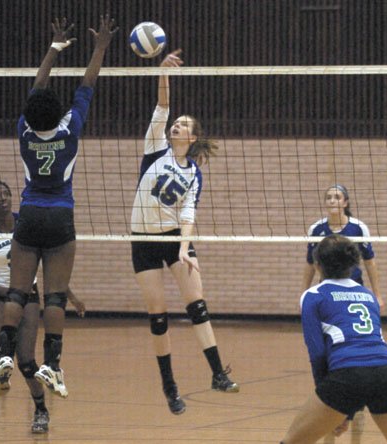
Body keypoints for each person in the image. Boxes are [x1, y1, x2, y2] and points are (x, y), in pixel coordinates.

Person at [0, 16, 116, 401]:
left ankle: (4, 354)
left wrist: (54, 48)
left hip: (28, 217)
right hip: (60, 216)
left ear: (31, 113)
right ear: (57, 112)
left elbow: (38, 89)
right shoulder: (70, 130)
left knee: (17, 294)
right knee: (56, 297)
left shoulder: (24, 132)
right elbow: (87, 85)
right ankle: (53, 365)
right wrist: (100, 47)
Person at [130, 50, 238, 416]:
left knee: (197, 305)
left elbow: (189, 212)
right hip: (142, 240)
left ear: (193, 137)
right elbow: (162, 106)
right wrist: (163, 72)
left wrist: (183, 248)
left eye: (183, 124)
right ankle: (170, 386)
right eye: (175, 122)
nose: (176, 125)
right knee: (158, 317)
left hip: (174, 235)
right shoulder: (154, 149)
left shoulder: (193, 172)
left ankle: (217, 374)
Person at [0, 180, 85, 438]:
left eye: (6, 193)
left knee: (26, 361)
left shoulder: (26, 223)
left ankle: (41, 411)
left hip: (29, 297)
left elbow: (49, 265)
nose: (3, 198)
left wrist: (72, 296)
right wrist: (9, 292)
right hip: (1, 299)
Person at [281, 234, 387, 444]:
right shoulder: (368, 295)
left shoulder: (313, 295)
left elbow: (317, 353)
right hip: (386, 373)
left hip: (346, 376)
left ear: (317, 265)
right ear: (353, 266)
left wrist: (330, 400)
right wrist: (345, 409)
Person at [302, 184, 384, 307]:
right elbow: (310, 264)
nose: (332, 201)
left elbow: (370, 263)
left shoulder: (358, 228)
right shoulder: (316, 229)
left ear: (345, 203)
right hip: (327, 288)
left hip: (354, 287)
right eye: (328, 198)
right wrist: (304, 294)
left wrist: (377, 295)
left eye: (337, 197)